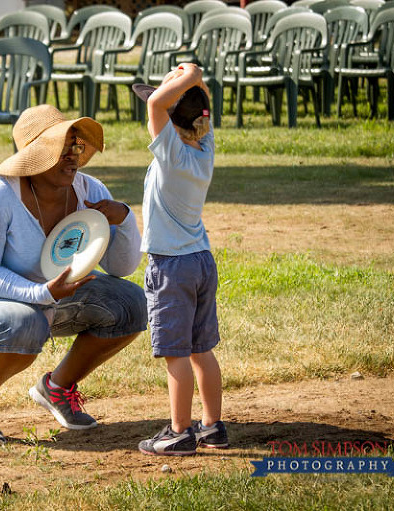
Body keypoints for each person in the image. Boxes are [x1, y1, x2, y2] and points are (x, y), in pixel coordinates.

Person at [0, 104, 147, 447]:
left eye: (75, 147)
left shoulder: (90, 191)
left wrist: (123, 218)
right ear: (34, 155)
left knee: (132, 302)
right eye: (61, 149)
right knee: (22, 322)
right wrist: (41, 294)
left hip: (47, 291)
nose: (72, 157)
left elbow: (121, 269)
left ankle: (57, 388)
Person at [131, 64, 228, 456]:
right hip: (201, 260)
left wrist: (190, 75)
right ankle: (212, 426)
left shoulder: (170, 152)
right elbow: (202, 108)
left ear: (171, 120)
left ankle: (179, 432)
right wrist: (191, 82)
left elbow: (155, 103)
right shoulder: (204, 148)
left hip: (171, 266)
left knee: (176, 353)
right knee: (201, 349)